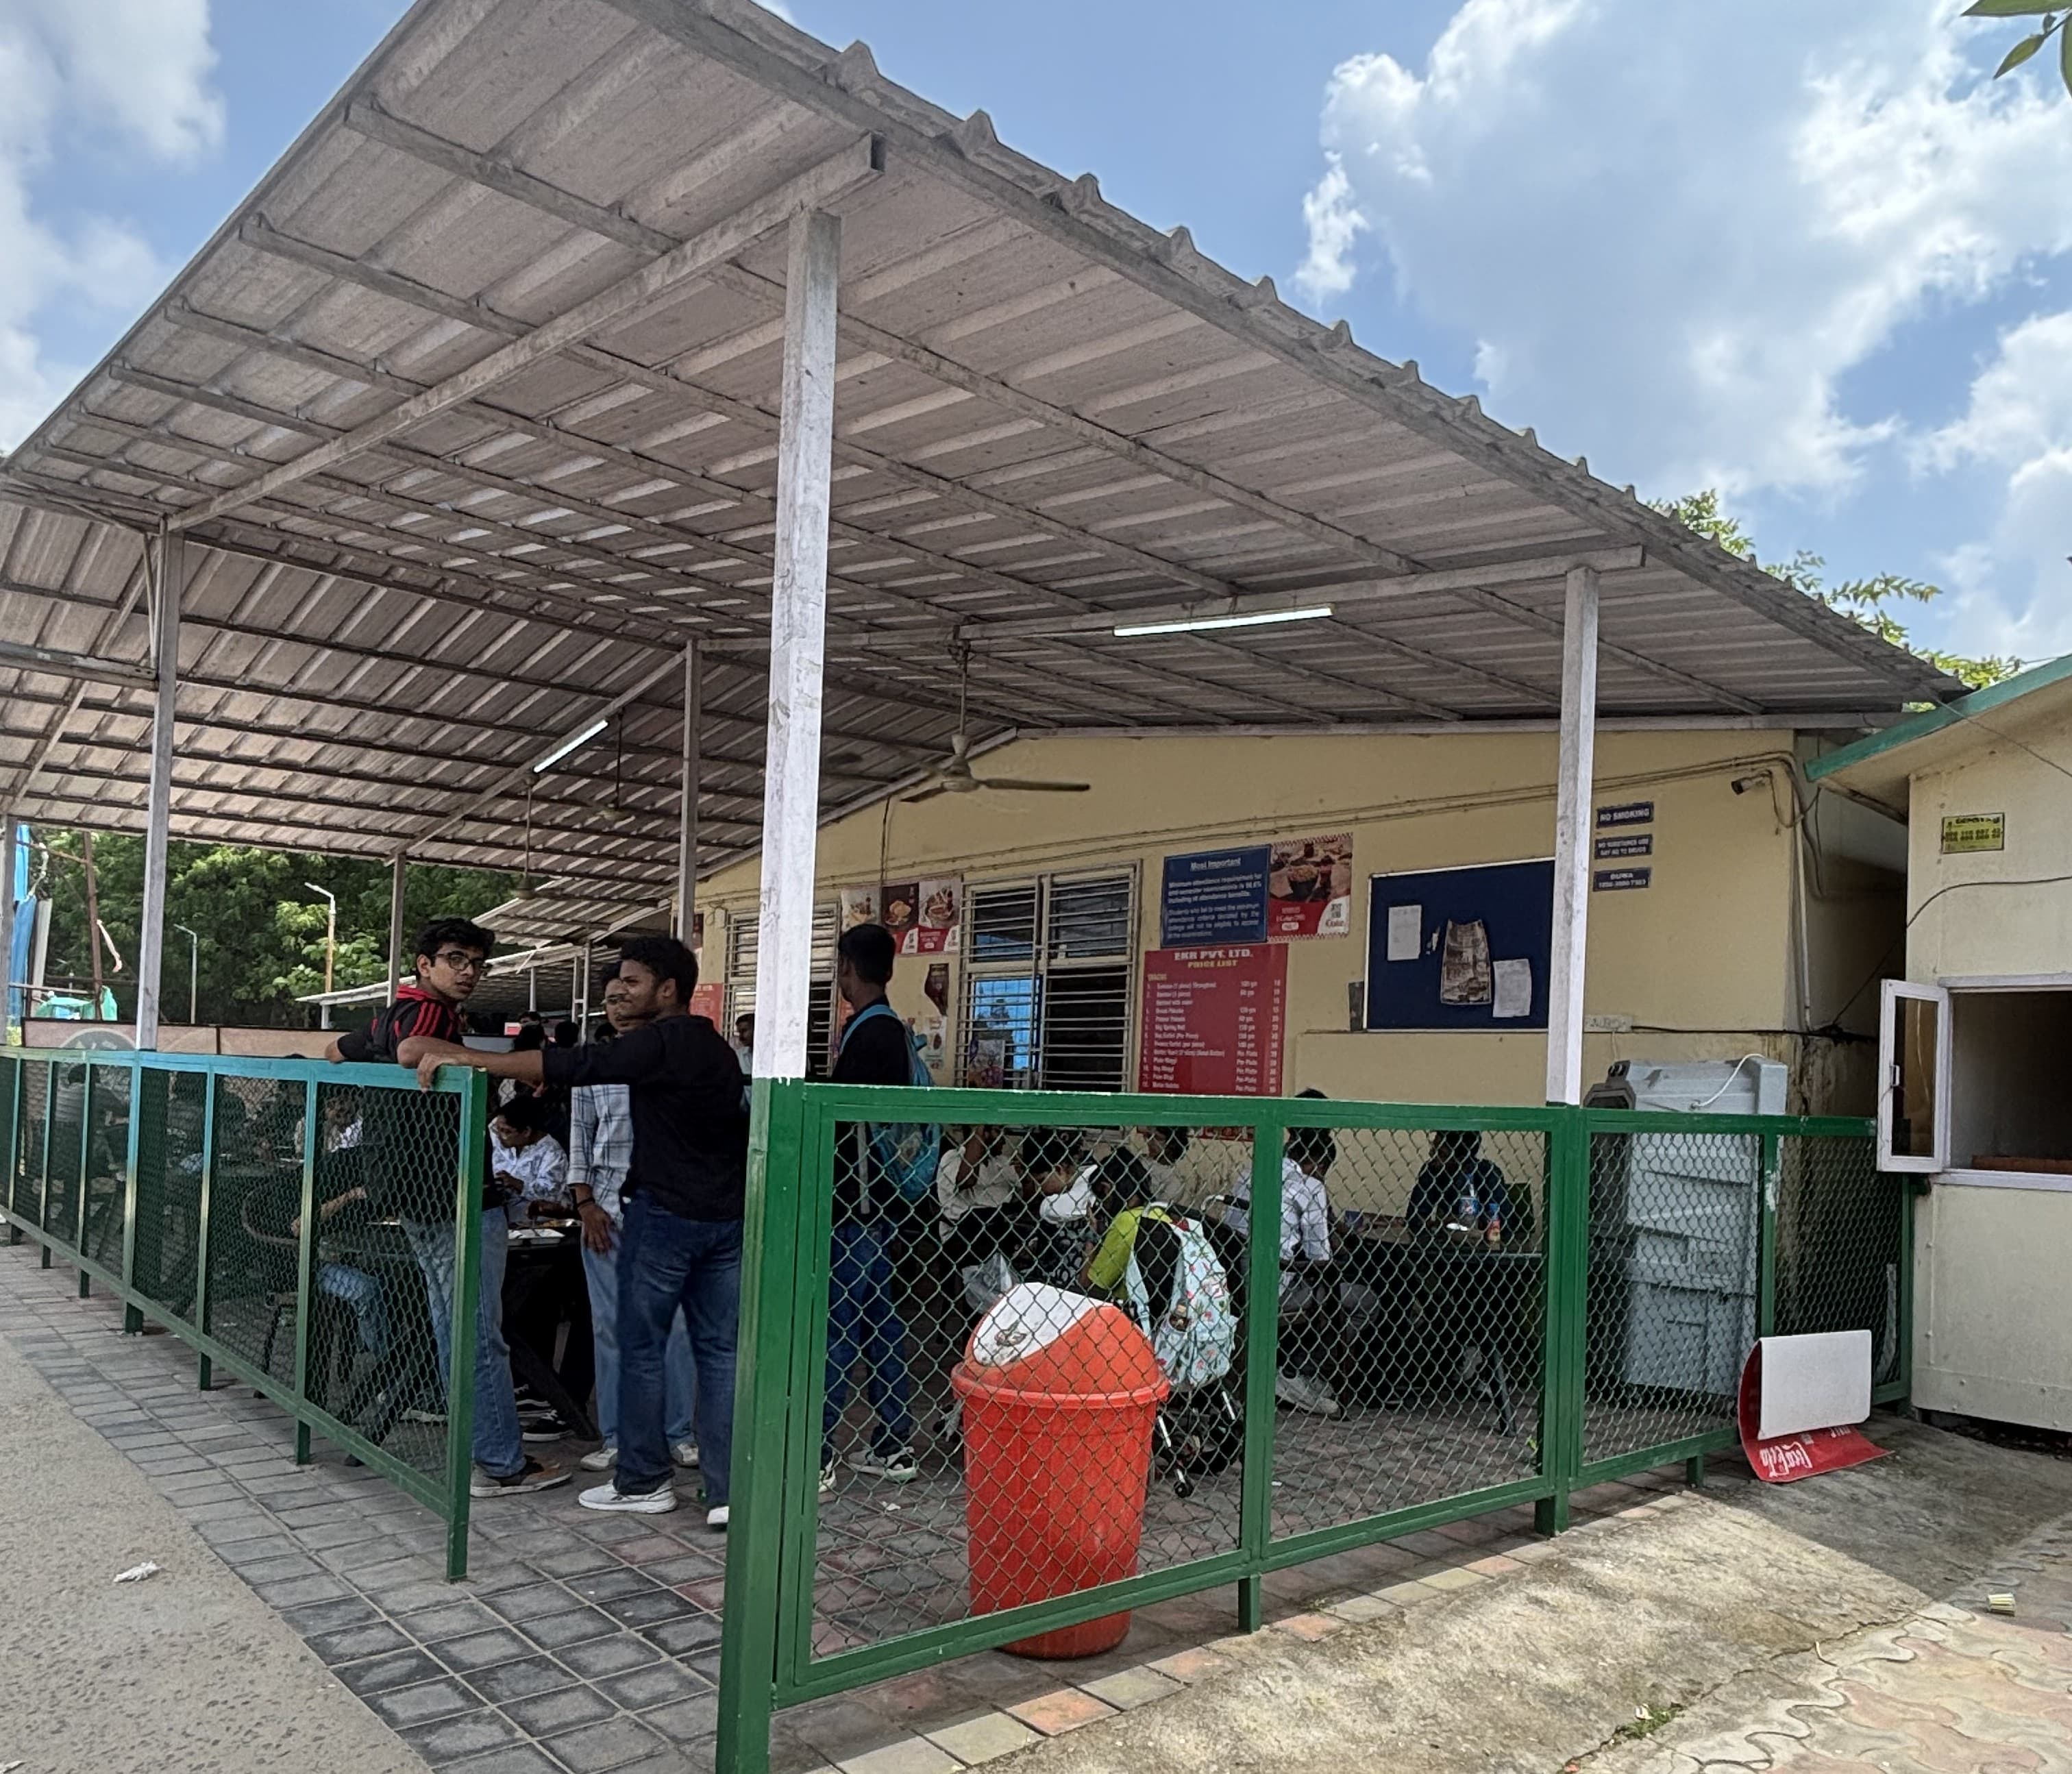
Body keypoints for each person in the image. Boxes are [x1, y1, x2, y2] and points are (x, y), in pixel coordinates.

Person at [402, 934, 746, 1529]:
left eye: (632, 982)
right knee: (716, 1353)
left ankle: (643, 1480)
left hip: (665, 1218)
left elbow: (567, 1064)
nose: (619, 992)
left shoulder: (661, 1041)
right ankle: (725, 1493)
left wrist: (466, 1055)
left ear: (668, 990)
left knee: (639, 1350)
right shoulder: (715, 1048)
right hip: (724, 1221)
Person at [328, 918, 565, 1496]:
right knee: (479, 1334)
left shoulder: (390, 1015)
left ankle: (475, 1441)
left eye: (476, 963)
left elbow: (333, 1050)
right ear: (424, 964)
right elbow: (414, 1050)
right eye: (455, 959)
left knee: (452, 1326)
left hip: (413, 1194)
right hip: (454, 1195)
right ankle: (501, 1462)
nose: (468, 972)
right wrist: (477, 1060)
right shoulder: (429, 1016)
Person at [569, 978, 701, 1479]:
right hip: (606, 1215)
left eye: (627, 994)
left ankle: (678, 1433)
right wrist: (585, 1204)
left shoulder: (673, 1061)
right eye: (610, 999)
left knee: (677, 1328)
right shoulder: (595, 1068)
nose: (618, 1005)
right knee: (611, 1329)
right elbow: (580, 1141)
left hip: (668, 1215)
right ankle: (617, 1437)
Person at [820, 924, 922, 1490]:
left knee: (837, 1327)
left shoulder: (868, 1034)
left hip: (854, 1207)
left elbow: (843, 1126)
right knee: (881, 1324)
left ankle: (817, 1451)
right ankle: (893, 1442)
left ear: (847, 968)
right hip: (883, 1206)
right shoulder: (893, 1031)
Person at [1408, 1129, 1527, 1246]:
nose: (1432, 1155)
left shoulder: (1487, 1173)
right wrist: (1440, 1224)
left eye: (1441, 1153)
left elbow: (1504, 1224)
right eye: (1433, 1148)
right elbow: (1415, 1217)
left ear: (1461, 1159)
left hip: (1483, 1246)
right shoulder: (1432, 1171)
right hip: (1445, 1244)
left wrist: (1472, 1222)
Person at [1016, 1125, 1094, 1288]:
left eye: (1041, 1181)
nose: (1040, 1189)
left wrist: (1044, 1205)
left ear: (1059, 1169)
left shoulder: (1092, 1176)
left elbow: (1053, 1209)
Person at [490, 1094, 568, 1226]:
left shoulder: (551, 1153)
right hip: (501, 1205)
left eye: (506, 1131)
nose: (500, 1136)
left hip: (533, 1214)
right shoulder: (499, 1138)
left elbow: (552, 1195)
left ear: (526, 1131)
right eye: (497, 1130)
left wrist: (517, 1184)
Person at [732, 1012, 756, 1077]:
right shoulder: (738, 1056)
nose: (741, 1037)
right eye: (739, 1032)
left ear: (756, 1029)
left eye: (744, 1031)